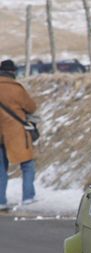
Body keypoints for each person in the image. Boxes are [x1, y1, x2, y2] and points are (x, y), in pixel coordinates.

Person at [0, 59, 37, 211]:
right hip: (16, 133)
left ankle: (1, 200)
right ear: (13, 72)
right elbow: (31, 107)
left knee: (1, 169)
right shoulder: (16, 88)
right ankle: (28, 197)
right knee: (27, 165)